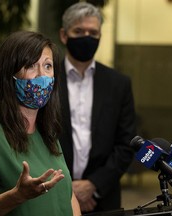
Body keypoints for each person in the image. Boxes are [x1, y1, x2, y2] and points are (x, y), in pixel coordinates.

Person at [0, 31, 81, 216]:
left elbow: (67, 194)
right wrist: (18, 196)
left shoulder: (46, 130)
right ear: (9, 73)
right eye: (31, 65)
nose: (42, 75)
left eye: (48, 66)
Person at [58, 2, 137, 214]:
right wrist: (68, 189)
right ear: (64, 35)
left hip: (103, 198)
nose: (86, 37)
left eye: (93, 32)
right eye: (79, 31)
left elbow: (126, 143)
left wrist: (93, 185)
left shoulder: (118, 84)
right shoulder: (47, 79)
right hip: (53, 195)